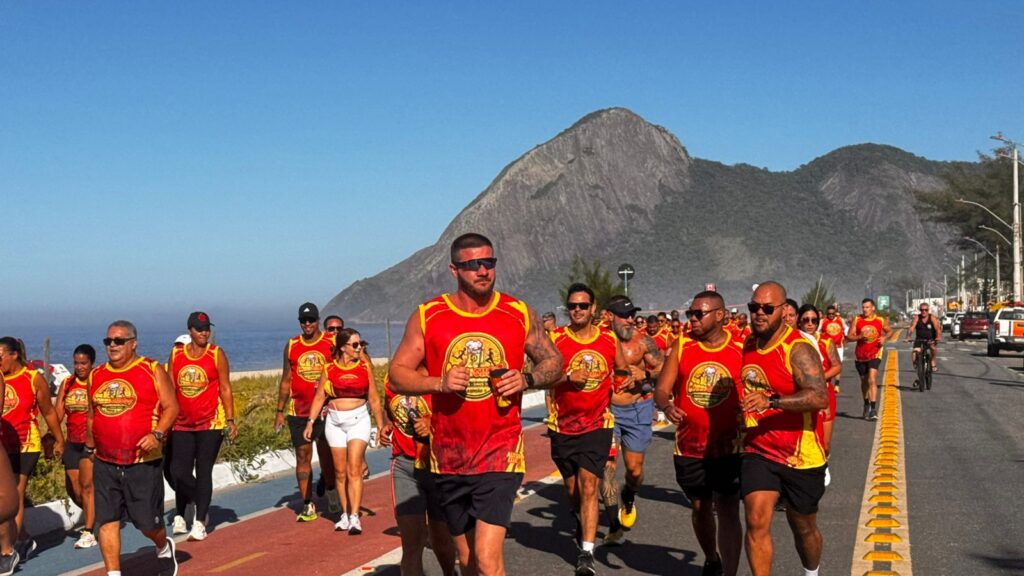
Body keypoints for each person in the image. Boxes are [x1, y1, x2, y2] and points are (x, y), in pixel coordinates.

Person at [389, 232, 563, 576]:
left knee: (486, 558)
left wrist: (527, 379)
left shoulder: (517, 312)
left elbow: (554, 363)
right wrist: (439, 383)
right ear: (455, 270)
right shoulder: (429, 315)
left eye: (489, 262)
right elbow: (397, 375)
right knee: (467, 561)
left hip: (500, 453)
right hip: (449, 458)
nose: (483, 271)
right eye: (472, 265)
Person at [738, 283, 829, 576]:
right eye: (754, 308)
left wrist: (771, 401)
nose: (759, 314)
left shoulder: (798, 348)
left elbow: (818, 396)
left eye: (766, 309)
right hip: (759, 450)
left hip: (800, 455)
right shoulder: (749, 345)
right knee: (755, 520)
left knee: (803, 527)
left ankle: (811, 572)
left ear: (783, 311)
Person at [654, 291, 743, 576]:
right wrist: (667, 407)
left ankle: (730, 571)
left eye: (698, 314)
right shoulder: (683, 345)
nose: (691, 319)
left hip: (730, 447)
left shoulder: (741, 347)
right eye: (690, 313)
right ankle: (711, 558)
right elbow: (661, 391)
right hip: (690, 447)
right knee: (700, 507)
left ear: (720, 315)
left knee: (728, 508)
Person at [87, 320, 180, 576]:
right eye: (108, 341)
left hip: (142, 461)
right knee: (106, 521)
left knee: (146, 523)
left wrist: (157, 434)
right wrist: (90, 446)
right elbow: (92, 414)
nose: (112, 346)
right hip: (105, 462)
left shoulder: (151, 369)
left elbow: (172, 407)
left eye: (119, 341)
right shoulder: (96, 374)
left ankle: (163, 546)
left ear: (133, 343)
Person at [549, 283, 627, 575]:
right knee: (573, 490)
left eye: (583, 306)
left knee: (589, 485)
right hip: (563, 426)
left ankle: (587, 554)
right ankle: (582, 522)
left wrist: (626, 382)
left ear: (594, 309)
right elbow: (542, 377)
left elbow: (620, 369)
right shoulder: (556, 339)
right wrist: (567, 376)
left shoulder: (608, 339)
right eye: (572, 306)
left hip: (598, 424)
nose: (577, 311)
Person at [304, 328, 386, 534]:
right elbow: (320, 397)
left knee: (354, 469)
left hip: (359, 420)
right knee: (339, 472)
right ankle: (345, 513)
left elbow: (374, 399)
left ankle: (355, 516)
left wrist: (381, 425)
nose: (360, 348)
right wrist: (310, 421)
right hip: (334, 421)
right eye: (356, 345)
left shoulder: (364, 367)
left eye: (361, 344)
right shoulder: (329, 368)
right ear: (343, 348)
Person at [166, 312, 237, 541]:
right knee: (178, 471)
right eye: (199, 329)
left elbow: (225, 388)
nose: (204, 333)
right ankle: (199, 499)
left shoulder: (216, 354)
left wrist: (230, 419)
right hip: (182, 423)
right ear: (190, 330)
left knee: (203, 470)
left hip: (211, 422)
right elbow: (168, 388)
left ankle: (199, 521)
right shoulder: (177, 354)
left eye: (207, 329)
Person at [384, 375, 457, 576]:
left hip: (438, 467)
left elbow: (461, 417)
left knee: (441, 540)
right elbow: (388, 409)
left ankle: (450, 573)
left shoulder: (442, 375)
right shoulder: (392, 380)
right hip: (404, 467)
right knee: (411, 544)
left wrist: (432, 421)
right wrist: (387, 425)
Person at [0, 337, 64, 562]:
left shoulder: (32, 378)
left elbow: (48, 411)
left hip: (26, 444)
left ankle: (10, 550)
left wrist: (58, 439)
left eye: (1, 356)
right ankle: (24, 537)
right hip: (3, 447)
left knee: (15, 495)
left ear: (14, 355)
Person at [605, 295, 664, 536]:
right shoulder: (599, 341)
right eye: (624, 315)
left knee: (635, 471)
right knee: (606, 467)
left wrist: (645, 377)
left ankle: (628, 496)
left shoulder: (643, 342)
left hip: (638, 408)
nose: (630, 320)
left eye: (632, 315)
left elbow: (663, 368)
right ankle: (613, 525)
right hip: (608, 411)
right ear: (609, 316)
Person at [275, 302, 339, 521]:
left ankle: (331, 489)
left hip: (325, 410)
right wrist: (279, 410)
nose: (308, 324)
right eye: (304, 321)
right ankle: (307, 503)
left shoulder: (330, 342)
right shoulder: (292, 345)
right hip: (298, 411)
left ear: (318, 320)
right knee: (303, 455)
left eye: (311, 320)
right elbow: (286, 379)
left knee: (326, 456)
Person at [55, 344, 98, 549]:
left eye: (83, 363)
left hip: (91, 443)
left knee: (87, 485)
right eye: (76, 363)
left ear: (91, 363)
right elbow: (58, 413)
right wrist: (54, 437)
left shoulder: (97, 381)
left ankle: (89, 530)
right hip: (72, 442)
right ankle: (97, 513)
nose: (79, 367)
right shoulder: (68, 383)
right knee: (74, 489)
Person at [796, 304, 842, 484]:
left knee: (825, 442)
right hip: (802, 394)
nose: (810, 324)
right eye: (806, 320)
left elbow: (837, 366)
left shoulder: (825, 341)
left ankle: (824, 462)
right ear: (799, 321)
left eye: (813, 320)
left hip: (824, 393)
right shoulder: (795, 341)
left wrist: (819, 379)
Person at [846, 298, 892, 420]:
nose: (865, 310)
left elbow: (889, 331)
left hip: (875, 353)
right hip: (860, 355)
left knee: (872, 379)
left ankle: (873, 408)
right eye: (864, 307)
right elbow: (849, 336)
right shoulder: (858, 319)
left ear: (873, 308)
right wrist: (860, 336)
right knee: (864, 382)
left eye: (867, 307)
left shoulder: (880, 320)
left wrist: (884, 338)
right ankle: (866, 403)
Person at [905, 303, 941, 380]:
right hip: (919, 339)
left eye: (926, 310)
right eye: (922, 310)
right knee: (914, 351)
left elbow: (938, 329)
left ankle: (933, 361)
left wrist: (938, 337)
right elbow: (911, 328)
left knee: (933, 348)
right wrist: (907, 337)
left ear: (928, 310)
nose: (924, 311)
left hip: (930, 339)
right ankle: (917, 366)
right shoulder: (917, 318)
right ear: (920, 310)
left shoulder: (932, 318)